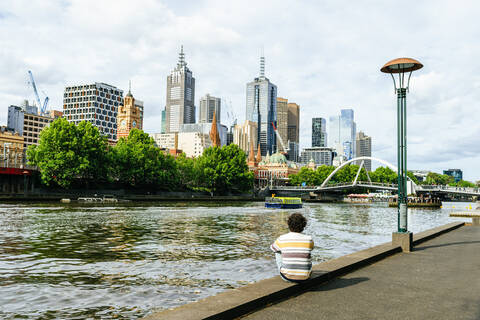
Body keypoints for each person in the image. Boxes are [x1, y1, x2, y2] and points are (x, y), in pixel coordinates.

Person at [270, 213, 314, 282]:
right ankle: (302, 271)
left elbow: (272, 248)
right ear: (303, 226)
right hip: (306, 277)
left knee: (277, 251)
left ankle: (287, 269)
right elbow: (311, 248)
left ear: (289, 225)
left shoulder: (282, 238)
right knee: (307, 252)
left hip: (287, 277)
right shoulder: (309, 239)